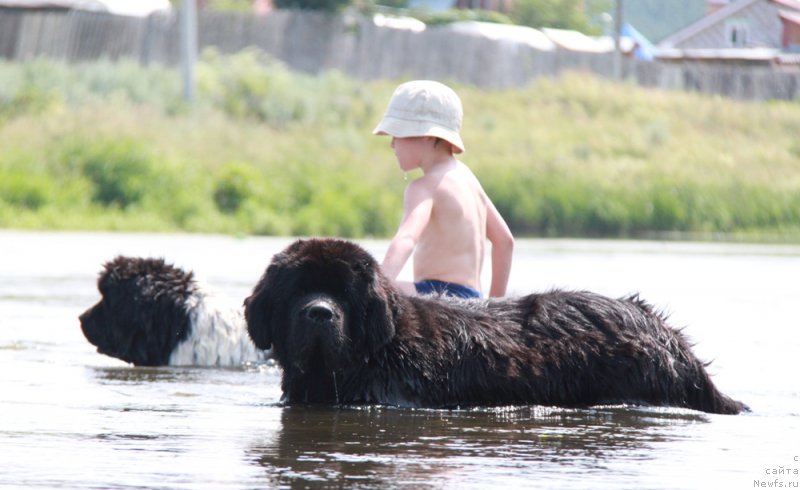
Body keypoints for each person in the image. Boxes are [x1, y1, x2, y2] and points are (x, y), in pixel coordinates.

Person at [373, 80, 514, 299]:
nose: (392, 144)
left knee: (357, 293)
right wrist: (495, 306)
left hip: (440, 298)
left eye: (397, 134)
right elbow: (505, 241)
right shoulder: (468, 179)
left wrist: (378, 283)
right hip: (472, 299)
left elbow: (407, 238)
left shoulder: (424, 187)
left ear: (427, 134)